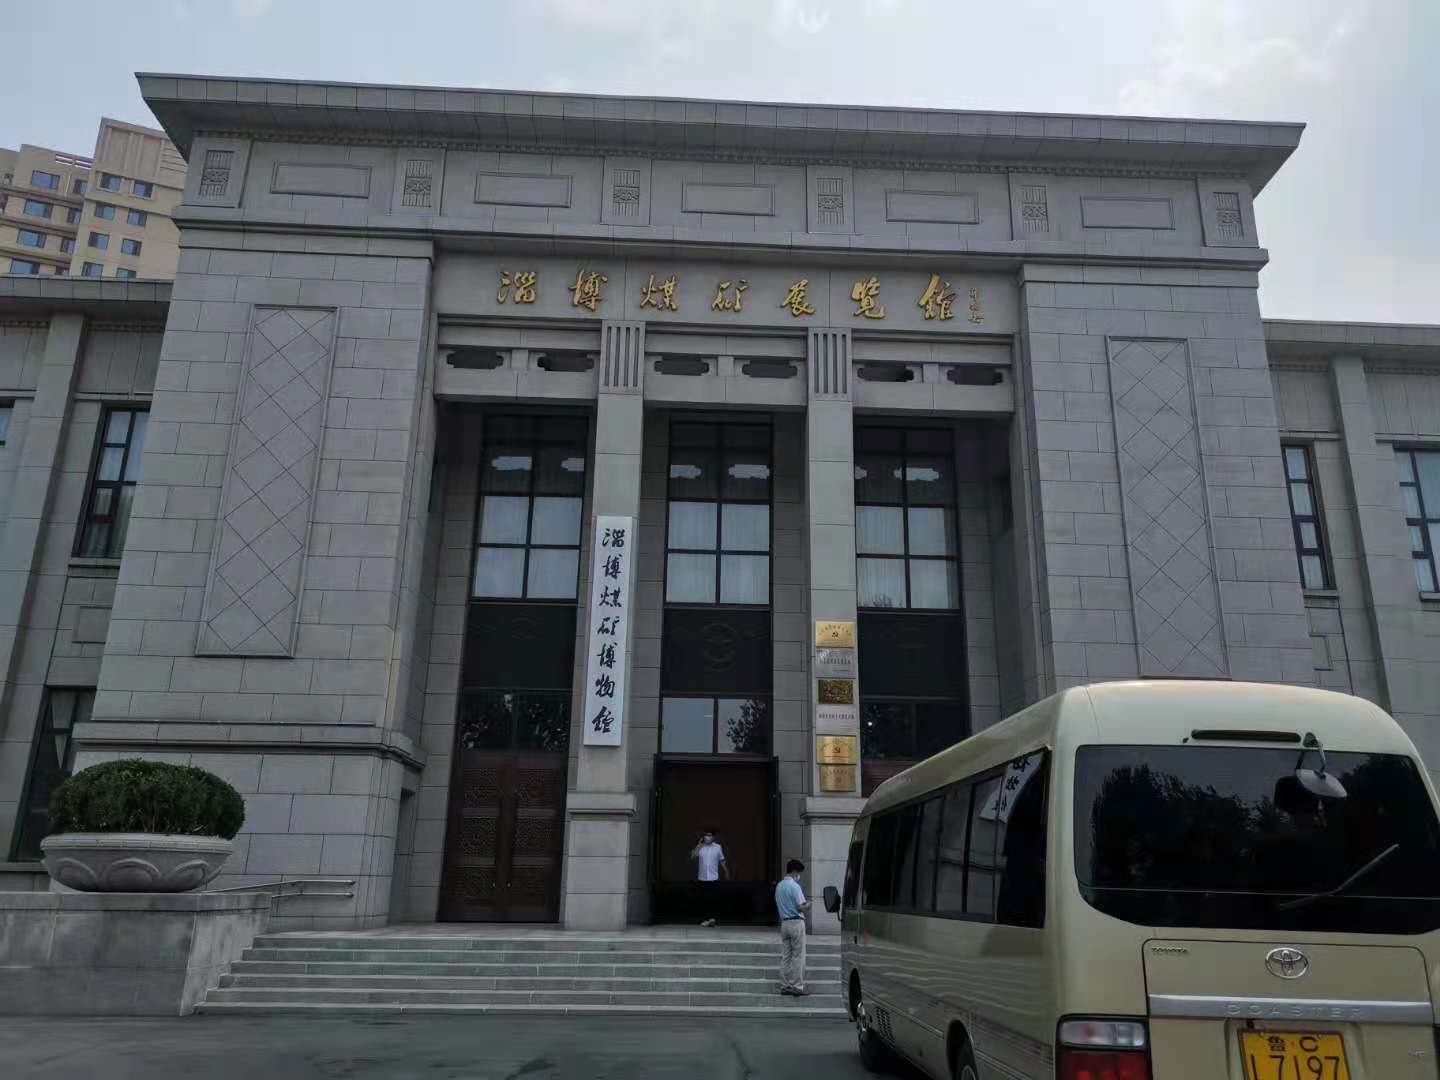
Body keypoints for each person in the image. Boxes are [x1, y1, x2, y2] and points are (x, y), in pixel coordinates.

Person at [775, 858, 810, 996]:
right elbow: (801, 907)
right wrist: (809, 904)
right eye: (799, 872)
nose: (799, 876)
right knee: (798, 956)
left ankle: (784, 985)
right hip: (796, 923)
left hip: (784, 923)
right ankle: (797, 986)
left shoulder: (779, 886)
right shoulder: (795, 886)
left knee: (786, 956)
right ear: (794, 871)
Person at [691, 829, 729, 927]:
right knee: (703, 899)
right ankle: (705, 919)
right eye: (706, 835)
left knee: (713, 898)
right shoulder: (700, 847)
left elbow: (722, 860)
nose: (708, 837)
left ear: (713, 837)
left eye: (710, 835)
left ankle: (712, 918)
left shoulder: (718, 847)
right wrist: (699, 845)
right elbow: (693, 856)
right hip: (702, 877)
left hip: (713, 877)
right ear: (703, 837)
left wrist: (726, 871)